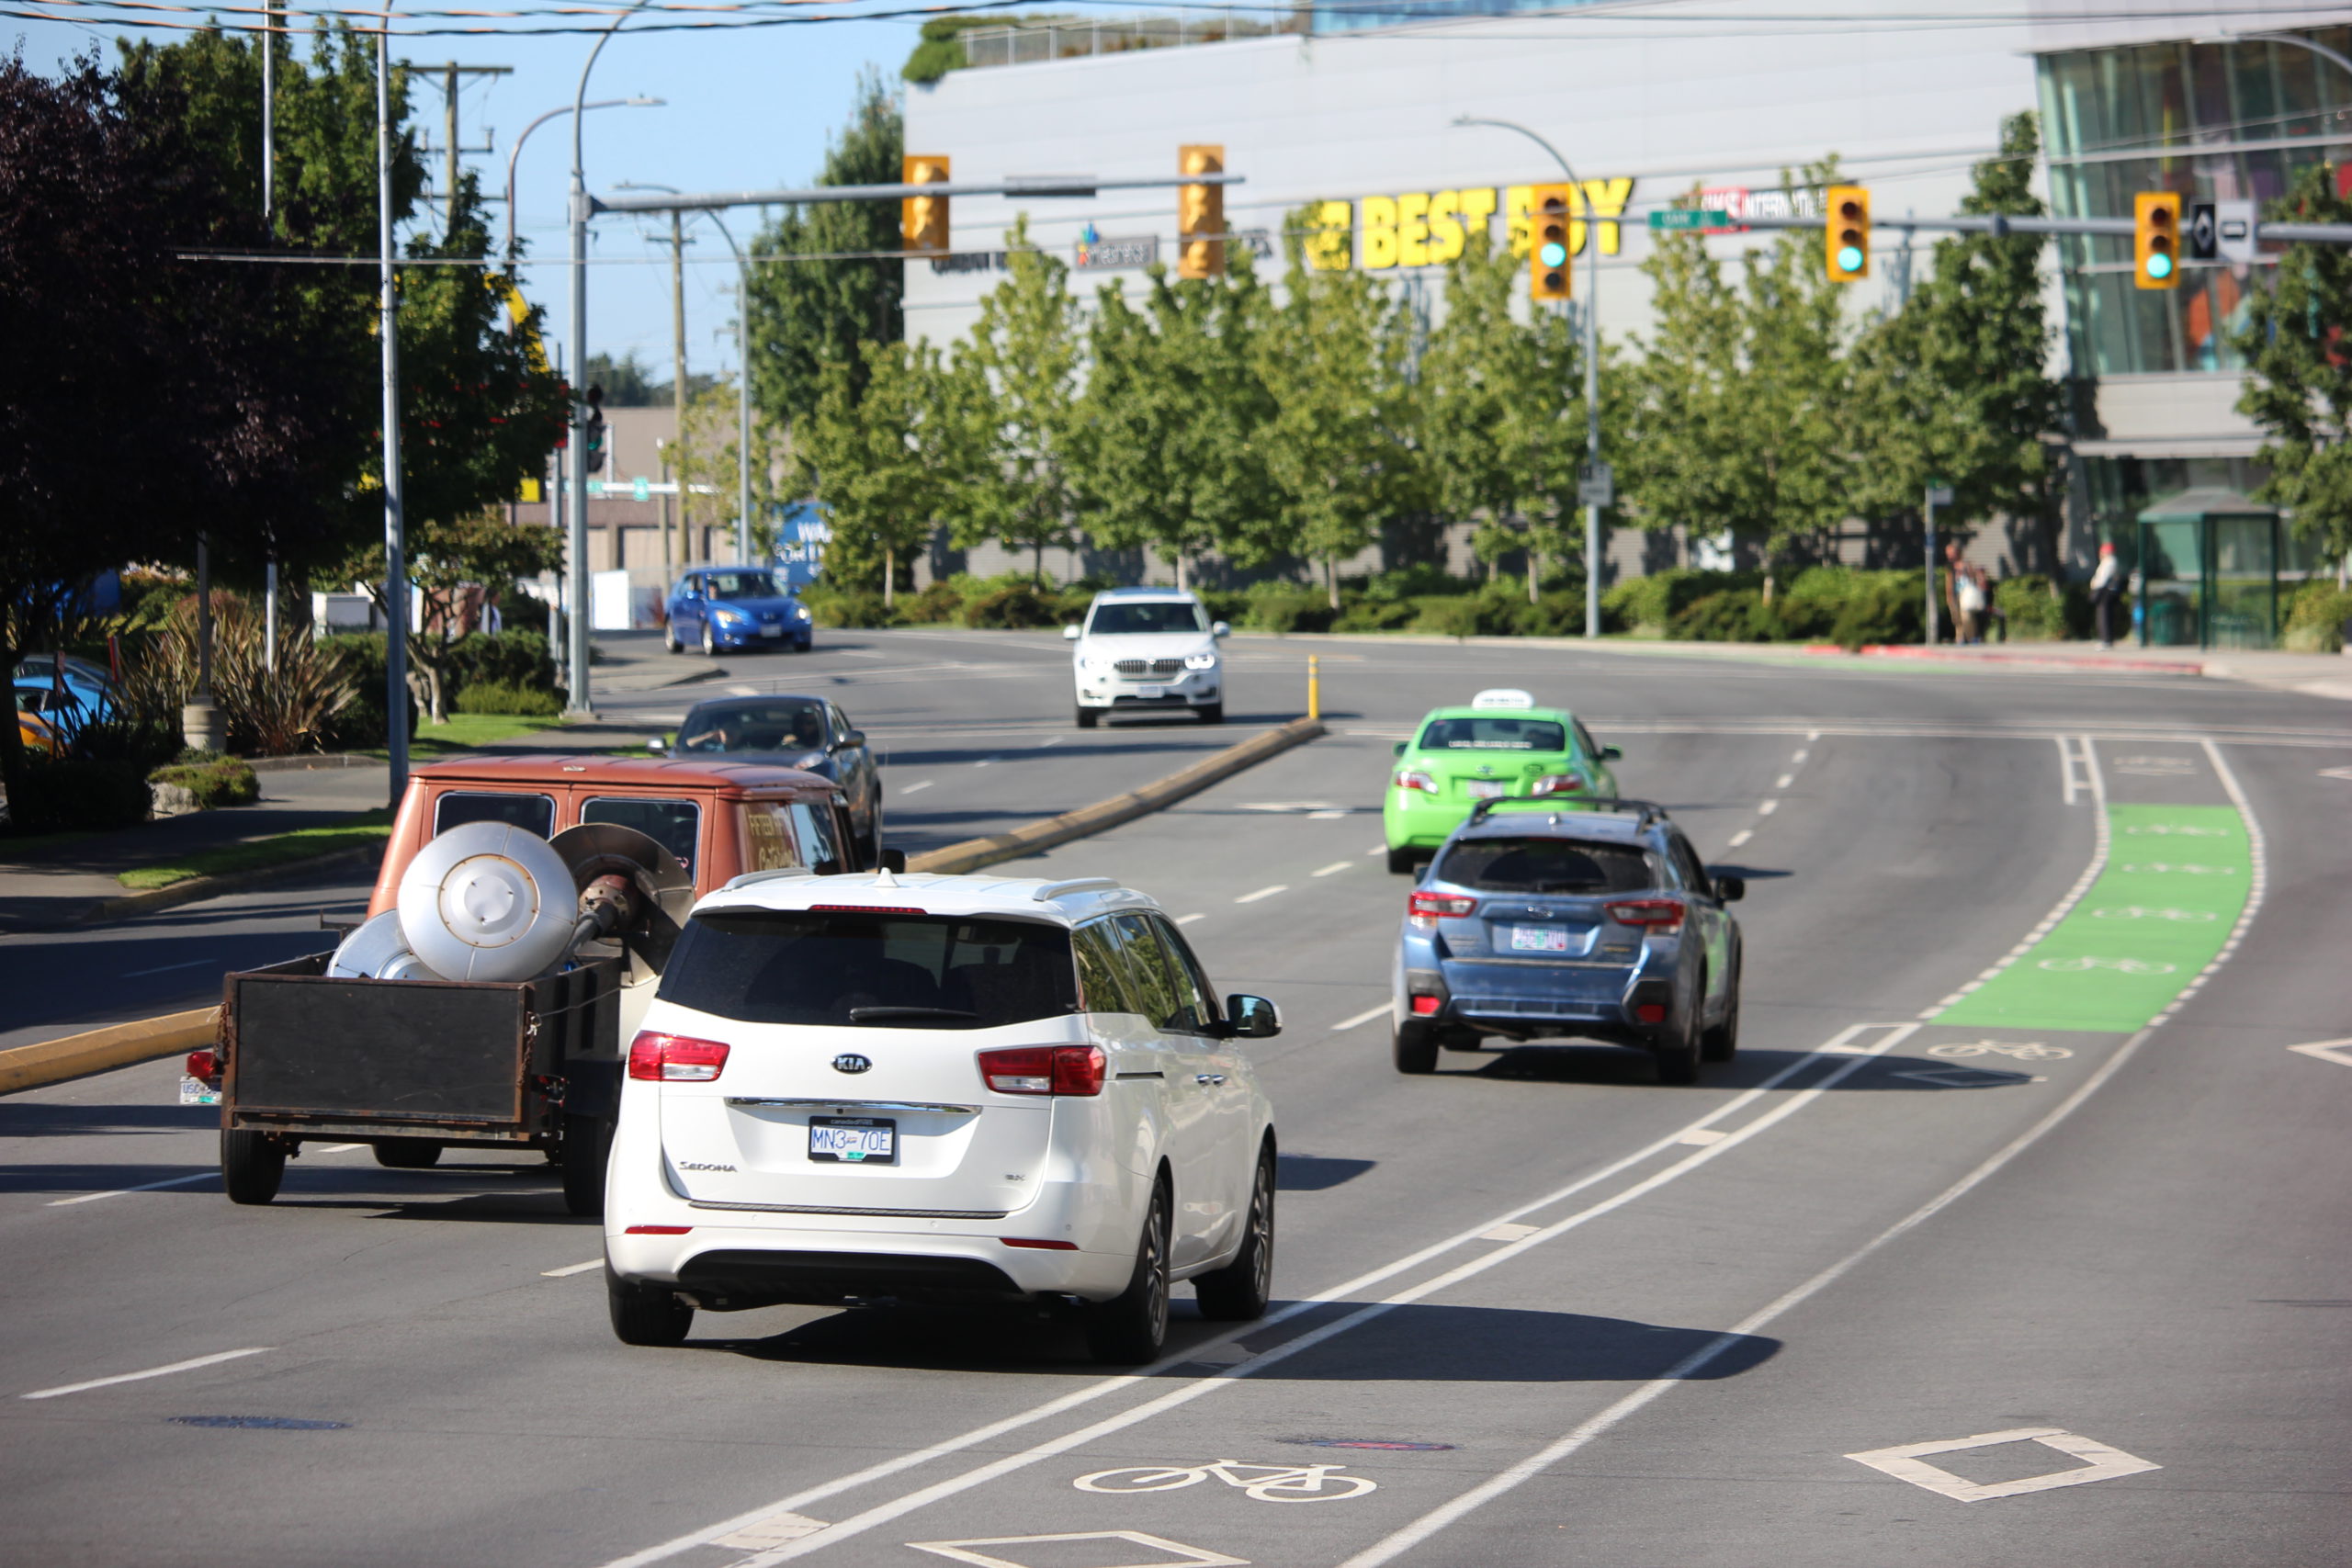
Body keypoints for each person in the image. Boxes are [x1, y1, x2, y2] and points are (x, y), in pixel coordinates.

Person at [2089, 541, 2124, 649]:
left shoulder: (2109, 561)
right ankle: (2106, 639)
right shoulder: (2110, 561)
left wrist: (2095, 585)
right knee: (2104, 615)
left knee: (2104, 616)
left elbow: (2102, 579)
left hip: (2104, 592)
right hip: (2106, 591)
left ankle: (2106, 640)